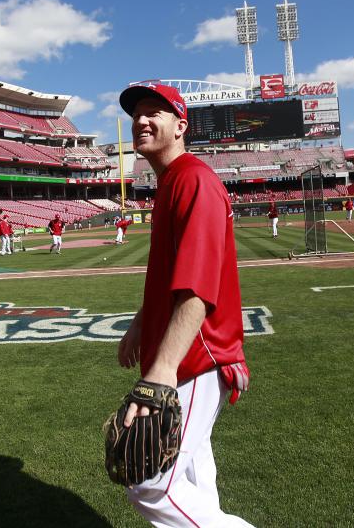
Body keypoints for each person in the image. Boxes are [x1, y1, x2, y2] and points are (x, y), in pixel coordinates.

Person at [116, 82, 252, 527]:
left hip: (194, 356)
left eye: (155, 111)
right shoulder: (173, 182)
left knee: (150, 481)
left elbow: (197, 289)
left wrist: (161, 371)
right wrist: (140, 323)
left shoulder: (192, 180)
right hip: (185, 353)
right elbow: (173, 278)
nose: (141, 120)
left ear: (181, 126)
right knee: (193, 473)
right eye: (137, 113)